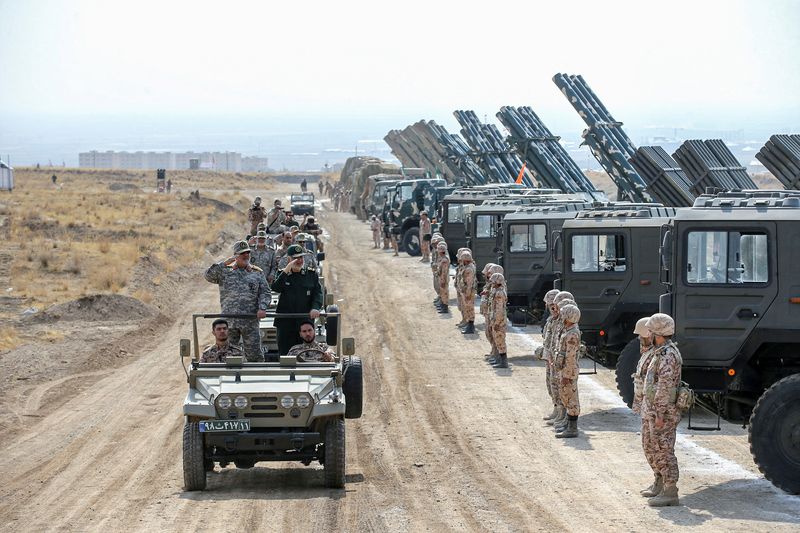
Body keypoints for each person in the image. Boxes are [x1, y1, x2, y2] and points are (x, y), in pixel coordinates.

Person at [640, 313, 683, 507]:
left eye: (650, 330)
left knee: (664, 450)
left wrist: (659, 414)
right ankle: (659, 481)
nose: (647, 333)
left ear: (658, 332)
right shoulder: (659, 352)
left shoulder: (668, 355)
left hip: (663, 413)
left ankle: (670, 490)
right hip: (653, 410)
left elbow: (664, 387)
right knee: (651, 447)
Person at [205, 241, 271, 362]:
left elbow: (265, 292)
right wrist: (225, 263)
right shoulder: (225, 271)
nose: (246, 255)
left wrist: (262, 307)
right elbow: (208, 276)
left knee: (255, 356)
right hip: (229, 323)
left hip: (250, 321)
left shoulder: (257, 273)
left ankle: (255, 379)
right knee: (228, 356)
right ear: (235, 255)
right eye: (242, 253)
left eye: (247, 253)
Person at [271, 244, 324, 355]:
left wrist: (315, 308)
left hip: (304, 323)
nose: (299, 260)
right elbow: (276, 288)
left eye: (301, 257)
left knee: (307, 354)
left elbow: (318, 293)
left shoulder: (311, 274)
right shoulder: (283, 273)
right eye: (296, 258)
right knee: (285, 355)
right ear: (289, 259)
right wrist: (286, 270)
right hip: (286, 323)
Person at [555, 304, 581, 438]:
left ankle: (572, 428)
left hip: (568, 372)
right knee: (566, 396)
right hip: (565, 370)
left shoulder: (572, 334)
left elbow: (570, 357)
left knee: (571, 399)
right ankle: (568, 425)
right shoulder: (568, 330)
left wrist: (566, 375)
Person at [540, 289, 561, 421]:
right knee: (550, 384)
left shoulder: (562, 321)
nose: (551, 308)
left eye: (553, 305)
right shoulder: (550, 320)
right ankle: (556, 409)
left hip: (557, 360)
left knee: (558, 386)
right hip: (550, 358)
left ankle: (561, 413)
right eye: (549, 305)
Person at [488, 272, 509, 368]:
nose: (491, 283)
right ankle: (500, 360)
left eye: (493, 281)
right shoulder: (496, 291)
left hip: (499, 321)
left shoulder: (499, 293)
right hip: (496, 320)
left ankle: (503, 362)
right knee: (497, 340)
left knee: (500, 340)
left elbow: (499, 310)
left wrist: (496, 322)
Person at [459, 250, 477, 334]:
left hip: (468, 291)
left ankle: (470, 327)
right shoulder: (468, 266)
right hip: (467, 290)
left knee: (469, 308)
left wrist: (468, 293)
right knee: (468, 308)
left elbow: (469, 283)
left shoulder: (469, 269)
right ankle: (469, 325)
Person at [435, 242, 450, 313]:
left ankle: (445, 307)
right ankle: (443, 306)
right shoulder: (442, 258)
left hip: (443, 279)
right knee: (442, 293)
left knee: (444, 293)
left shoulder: (444, 260)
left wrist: (443, 281)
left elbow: (444, 272)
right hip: (441, 278)